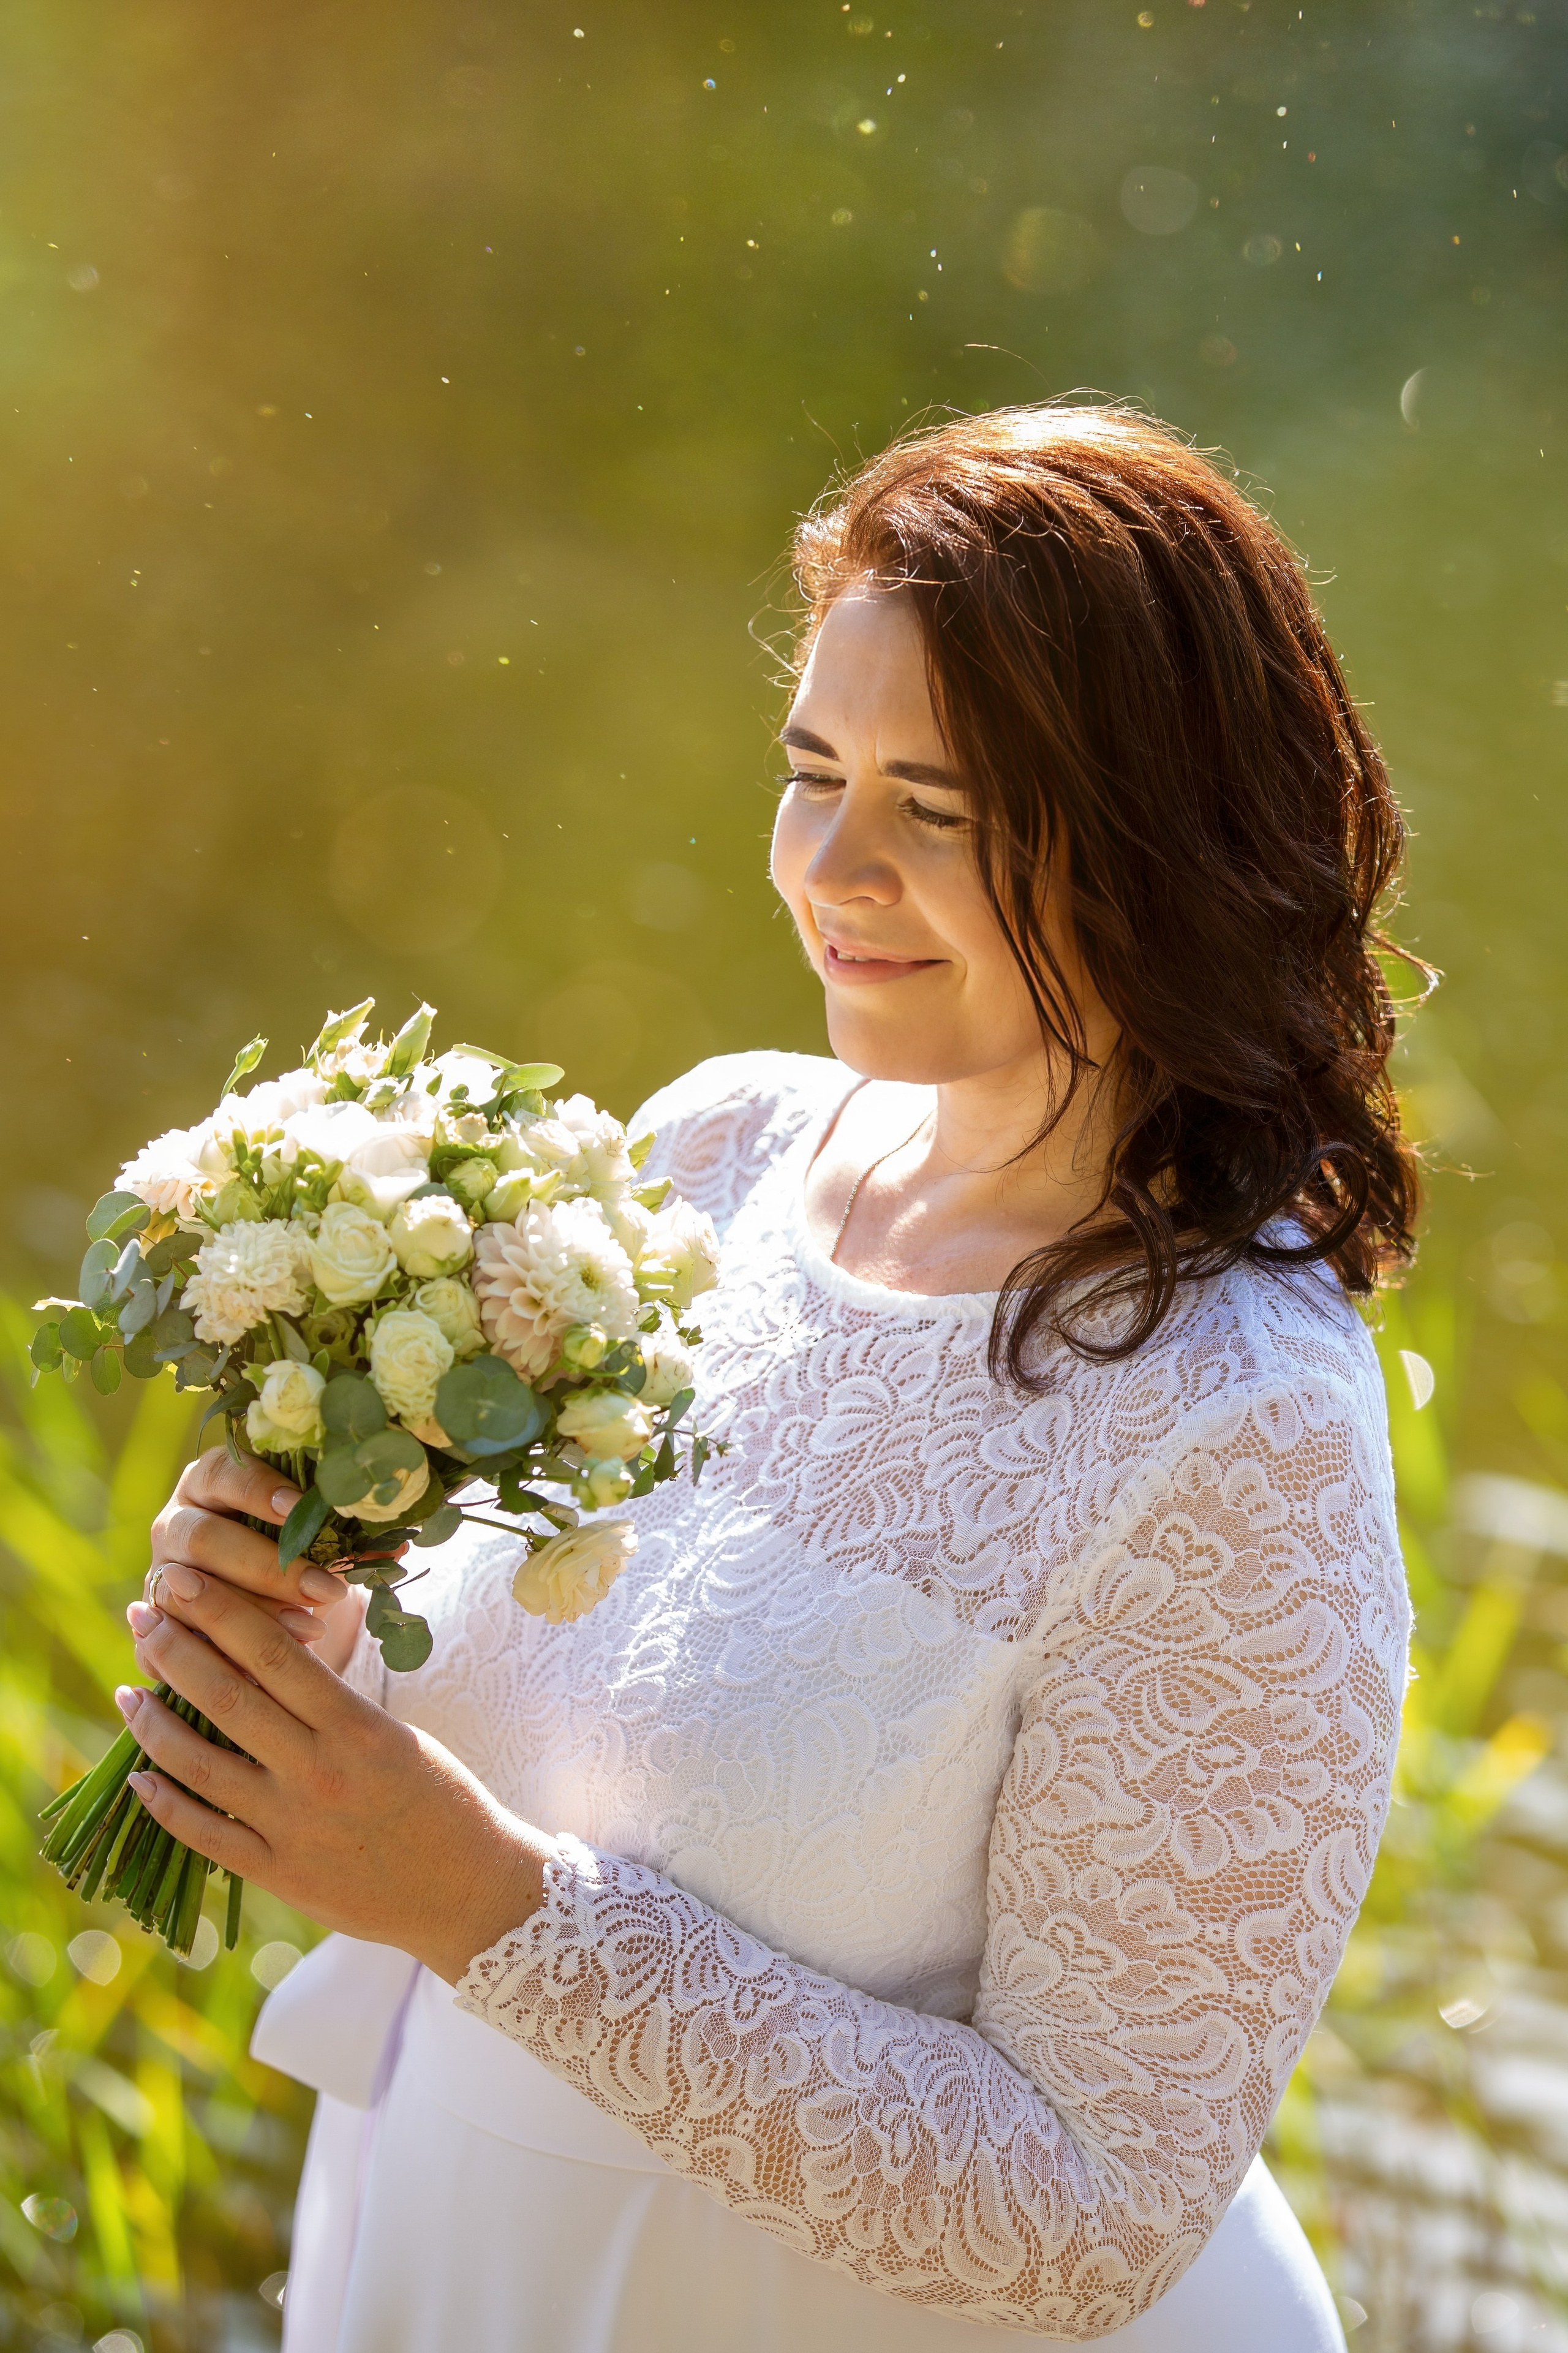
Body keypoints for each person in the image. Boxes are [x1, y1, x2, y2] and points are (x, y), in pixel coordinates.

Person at [119, 403, 1417, 2352]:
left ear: (1162, 842)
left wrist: (485, 1906)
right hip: (469, 2265)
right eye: (817, 771)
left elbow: (1087, 2211)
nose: (837, 865)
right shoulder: (715, 1151)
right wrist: (303, 1645)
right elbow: (549, 1718)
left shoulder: (1244, 1434)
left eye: (942, 808)